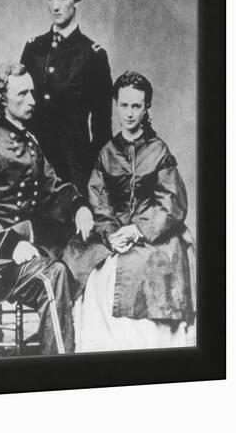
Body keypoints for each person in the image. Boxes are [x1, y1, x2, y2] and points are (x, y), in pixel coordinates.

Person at [0, 62, 94, 355]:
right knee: (53, 276)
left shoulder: (30, 143)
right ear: (2, 100)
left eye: (32, 92)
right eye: (23, 94)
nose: (33, 100)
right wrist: (10, 245)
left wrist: (79, 206)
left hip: (26, 248)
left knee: (84, 256)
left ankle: (61, 346)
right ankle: (61, 370)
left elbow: (53, 189)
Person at [72, 71, 196, 351]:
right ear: (116, 104)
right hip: (114, 233)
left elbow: (172, 201)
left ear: (146, 108)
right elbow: (98, 199)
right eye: (124, 105)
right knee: (95, 272)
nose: (129, 113)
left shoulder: (158, 150)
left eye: (136, 106)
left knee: (148, 266)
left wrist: (139, 228)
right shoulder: (107, 152)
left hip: (155, 233)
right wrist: (110, 233)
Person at [20, 0, 113, 196]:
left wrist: (92, 178)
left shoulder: (94, 56)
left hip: (74, 167)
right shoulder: (33, 49)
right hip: (33, 164)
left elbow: (102, 128)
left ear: (77, 1)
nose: (55, 6)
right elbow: (18, 106)